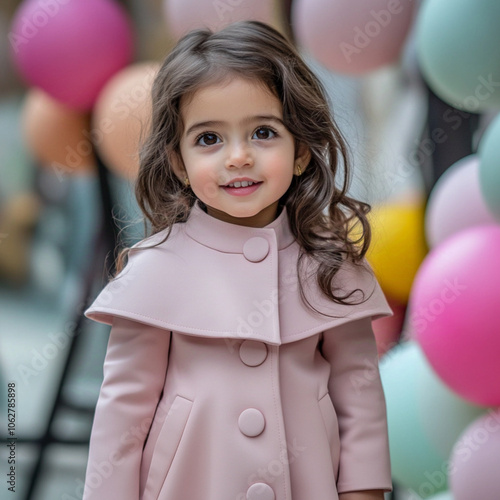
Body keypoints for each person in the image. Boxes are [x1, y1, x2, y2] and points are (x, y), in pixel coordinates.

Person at [82, 20, 393, 500]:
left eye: (263, 132)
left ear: (302, 152)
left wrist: (364, 491)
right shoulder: (156, 272)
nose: (239, 157)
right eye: (209, 139)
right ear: (179, 162)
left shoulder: (330, 264)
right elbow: (123, 413)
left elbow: (359, 389)